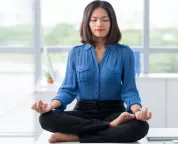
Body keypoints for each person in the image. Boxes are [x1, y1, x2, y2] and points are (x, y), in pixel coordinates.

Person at [31, 0, 152, 143]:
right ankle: (110, 127)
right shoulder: (76, 53)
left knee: (140, 127)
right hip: (83, 111)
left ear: (112, 22)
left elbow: (129, 90)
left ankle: (76, 136)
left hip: (114, 111)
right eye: (94, 20)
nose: (99, 24)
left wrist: (137, 111)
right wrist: (49, 106)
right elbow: (68, 90)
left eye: (104, 20)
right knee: (46, 119)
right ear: (87, 23)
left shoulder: (125, 53)